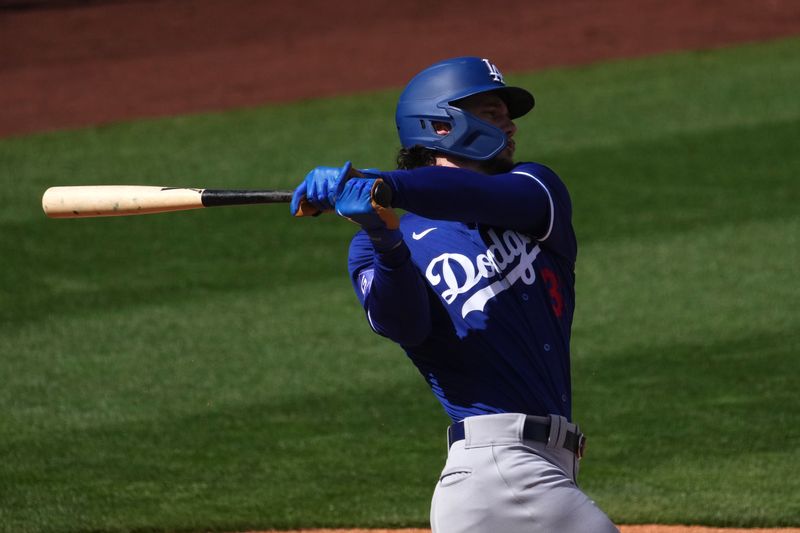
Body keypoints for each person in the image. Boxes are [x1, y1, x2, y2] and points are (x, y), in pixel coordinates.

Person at [290, 56, 618, 533]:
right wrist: (386, 241)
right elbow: (404, 326)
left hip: (532, 473)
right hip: (500, 470)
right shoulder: (372, 246)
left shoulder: (534, 189)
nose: (509, 124)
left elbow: (467, 195)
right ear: (440, 125)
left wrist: (384, 183)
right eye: (491, 112)